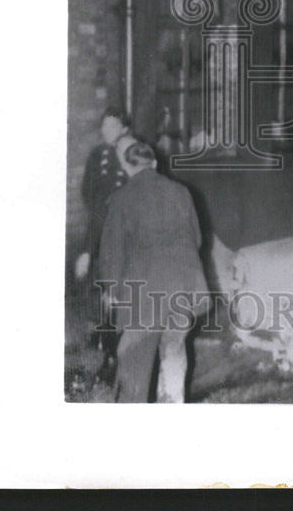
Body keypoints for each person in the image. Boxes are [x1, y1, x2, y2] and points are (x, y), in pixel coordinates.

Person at [99, 137, 209, 402]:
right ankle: (172, 404)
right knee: (173, 349)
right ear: (156, 163)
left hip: (145, 294)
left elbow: (112, 250)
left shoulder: (121, 199)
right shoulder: (181, 192)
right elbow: (197, 238)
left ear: (127, 168)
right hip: (184, 287)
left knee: (133, 358)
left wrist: (111, 289)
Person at [74, 107, 130, 382]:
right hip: (101, 229)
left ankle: (119, 349)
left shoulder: (133, 153)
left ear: (124, 129)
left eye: (114, 126)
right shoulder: (97, 156)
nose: (109, 131)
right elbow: (89, 194)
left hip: (126, 232)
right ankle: (107, 348)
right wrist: (88, 248)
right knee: (103, 292)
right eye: (105, 126)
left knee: (120, 291)